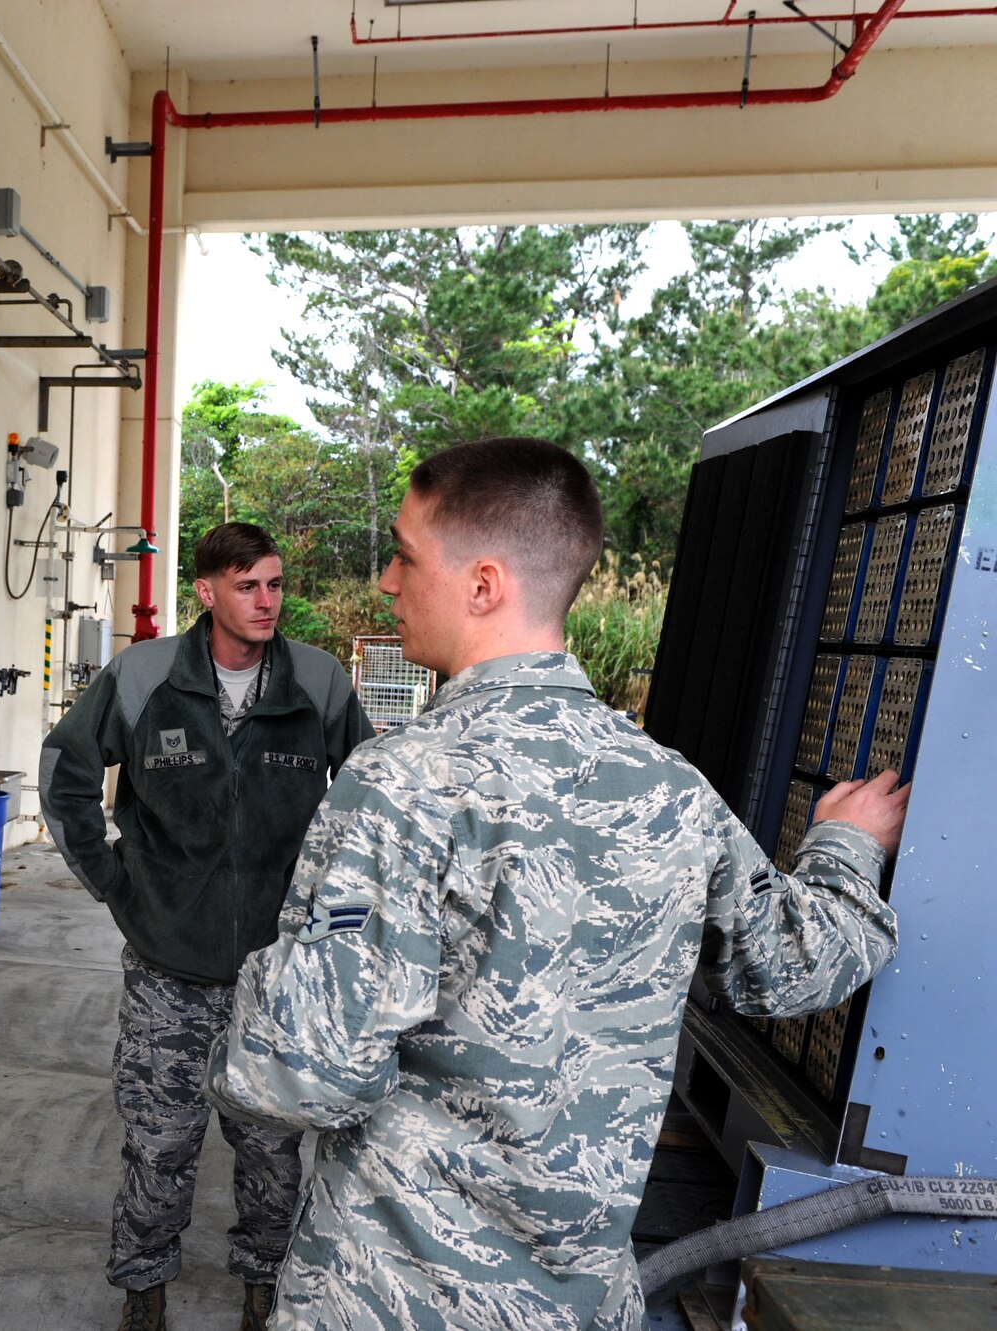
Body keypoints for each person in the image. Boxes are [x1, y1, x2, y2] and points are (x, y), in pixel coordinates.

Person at [207, 438, 905, 1331]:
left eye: (405, 554)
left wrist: (268, 974)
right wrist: (845, 848)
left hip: (388, 1296)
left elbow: (300, 1074)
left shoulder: (407, 782)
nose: (386, 580)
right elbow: (794, 969)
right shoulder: (670, 790)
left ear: (484, 583)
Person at [41, 521, 374, 1331]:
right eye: (249, 584)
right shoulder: (144, 676)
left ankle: (266, 1282)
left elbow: (369, 809)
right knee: (159, 1144)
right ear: (206, 591)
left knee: (271, 1152)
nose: (268, 601)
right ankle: (143, 1286)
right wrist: (116, 884)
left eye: (276, 584)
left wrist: (331, 923)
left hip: (275, 975)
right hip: (167, 969)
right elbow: (65, 775)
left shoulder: (319, 682)